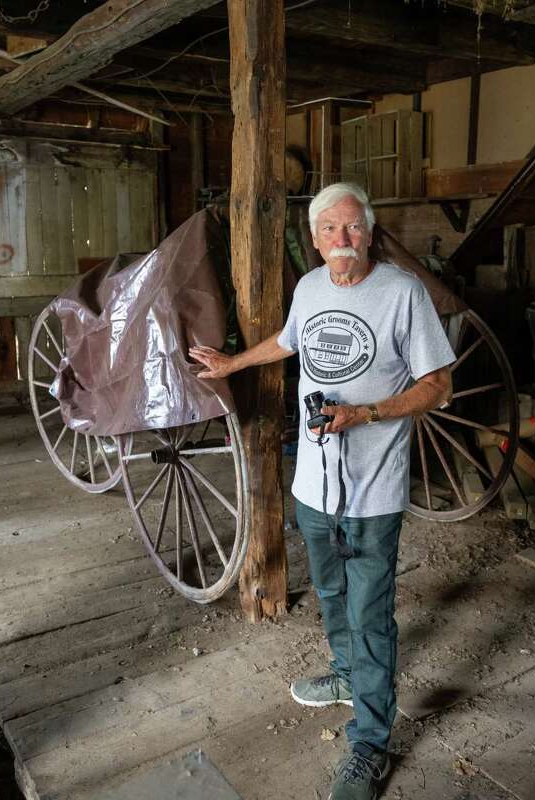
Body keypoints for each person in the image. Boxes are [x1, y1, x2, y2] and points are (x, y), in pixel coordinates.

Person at [189, 182, 454, 800]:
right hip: (313, 486)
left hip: (374, 491)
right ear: (314, 238)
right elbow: (288, 342)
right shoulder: (308, 289)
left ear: (369, 232)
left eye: (353, 228)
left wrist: (366, 415)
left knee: (369, 610)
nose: (342, 240)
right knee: (331, 591)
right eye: (330, 230)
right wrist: (231, 364)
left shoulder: (403, 293)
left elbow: (437, 385)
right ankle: (344, 674)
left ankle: (369, 742)